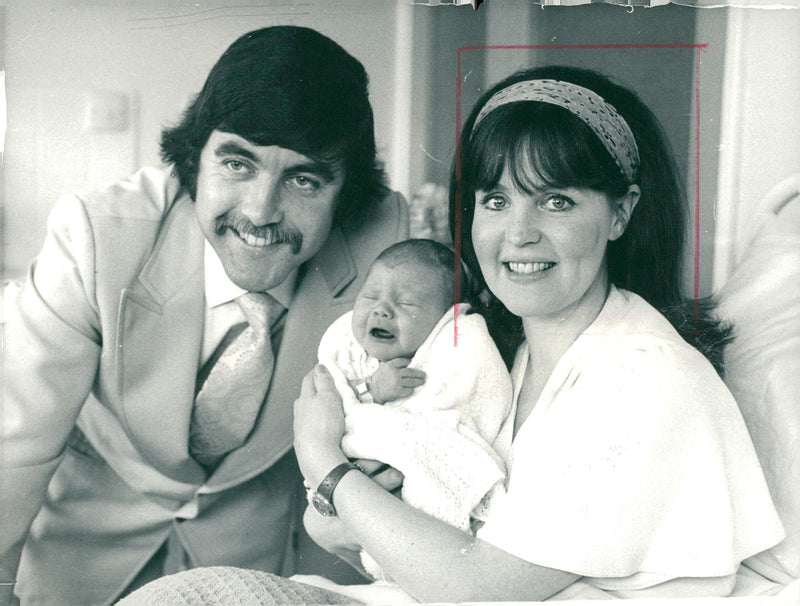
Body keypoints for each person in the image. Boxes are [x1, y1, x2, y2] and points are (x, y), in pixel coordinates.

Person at [291, 66, 785, 602]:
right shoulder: (496, 358)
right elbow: (386, 540)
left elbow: (479, 585)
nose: (519, 234)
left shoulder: (648, 376)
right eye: (496, 201)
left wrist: (325, 464)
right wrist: (352, 499)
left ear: (621, 213)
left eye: (556, 201)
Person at [0, 26, 408, 605]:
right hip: (76, 562)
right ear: (194, 160)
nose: (261, 213)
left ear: (346, 197)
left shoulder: (380, 252)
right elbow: (14, 446)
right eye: (238, 165)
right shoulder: (96, 235)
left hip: (248, 573)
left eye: (303, 178)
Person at [316, 238, 511, 581]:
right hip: (347, 493)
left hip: (419, 524)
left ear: (443, 321)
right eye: (370, 297)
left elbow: (453, 417)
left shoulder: (458, 350)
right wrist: (371, 390)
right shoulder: (348, 350)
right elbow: (330, 403)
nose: (381, 310)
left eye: (406, 303)